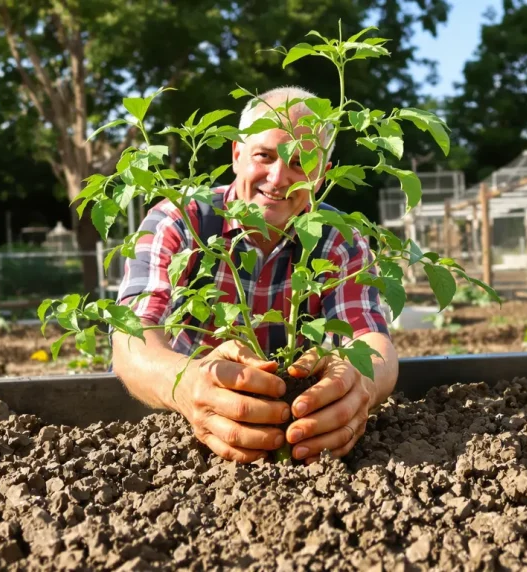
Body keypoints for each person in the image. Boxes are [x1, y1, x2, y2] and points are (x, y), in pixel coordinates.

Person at [113, 86, 398, 463]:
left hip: (303, 436)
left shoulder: (340, 239)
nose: (278, 178)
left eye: (300, 162)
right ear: (237, 154)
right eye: (264, 156)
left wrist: (358, 384)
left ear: (321, 176)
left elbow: (374, 343)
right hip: (190, 438)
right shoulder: (181, 222)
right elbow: (131, 339)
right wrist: (188, 386)